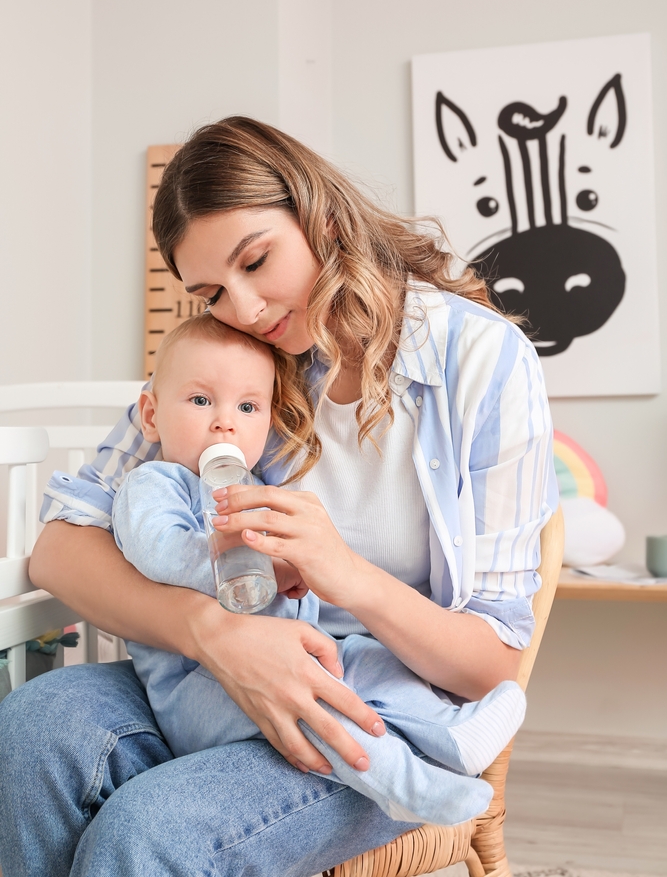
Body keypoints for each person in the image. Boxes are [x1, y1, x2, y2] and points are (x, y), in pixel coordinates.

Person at [0, 116, 557, 877]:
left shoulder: (482, 361)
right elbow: (62, 547)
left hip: (369, 715)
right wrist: (212, 633)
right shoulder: (237, 360)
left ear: (319, 214)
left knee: (151, 830)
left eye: (257, 261)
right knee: (29, 728)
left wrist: (343, 571)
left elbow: (490, 665)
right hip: (206, 680)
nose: (247, 307)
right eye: (212, 292)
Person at [110, 311, 526, 826]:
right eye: (200, 401)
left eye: (247, 406)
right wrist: (241, 556)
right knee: (318, 706)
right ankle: (406, 787)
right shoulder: (154, 484)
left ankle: (449, 732)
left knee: (364, 658)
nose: (225, 422)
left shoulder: (261, 488)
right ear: (151, 416)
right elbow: (160, 553)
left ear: (269, 420)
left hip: (293, 651)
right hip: (204, 687)